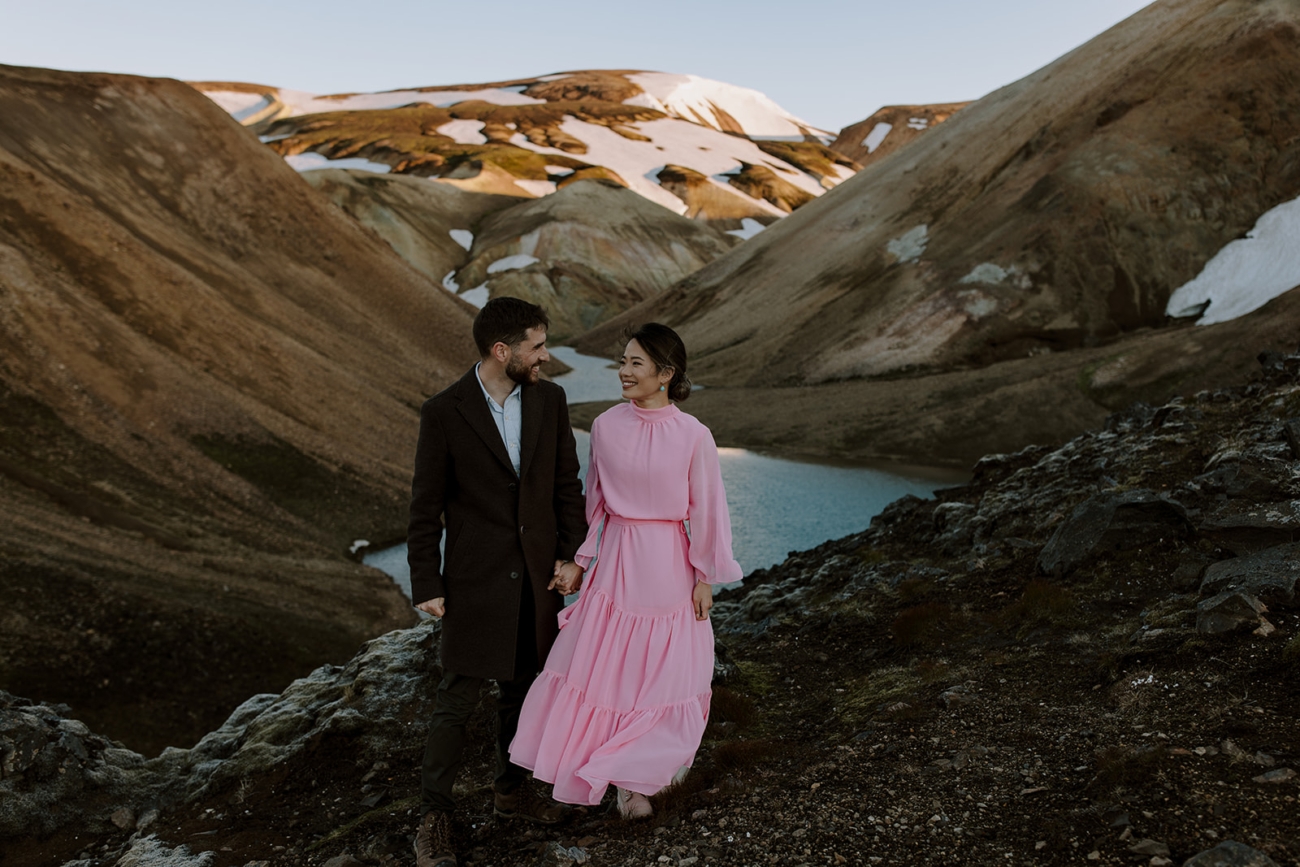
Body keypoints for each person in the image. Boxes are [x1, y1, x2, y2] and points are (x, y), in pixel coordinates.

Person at [509, 322, 742, 819]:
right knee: (608, 671)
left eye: (637, 363)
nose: (624, 372)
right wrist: (580, 560)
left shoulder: (694, 435)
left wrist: (705, 578)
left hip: (667, 564)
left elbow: (707, 511)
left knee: (664, 675)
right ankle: (599, 767)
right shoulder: (607, 425)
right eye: (622, 362)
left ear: (666, 374)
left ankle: (638, 781)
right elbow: (595, 506)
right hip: (616, 562)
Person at [407, 297, 588, 867]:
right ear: (502, 350)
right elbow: (424, 507)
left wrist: (571, 556)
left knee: (523, 691)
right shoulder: (444, 411)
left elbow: (566, 486)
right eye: (536, 346)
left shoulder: (551, 400)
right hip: (473, 580)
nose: (546, 356)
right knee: (456, 700)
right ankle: (434, 818)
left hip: (538, 579)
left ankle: (511, 793)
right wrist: (426, 582)